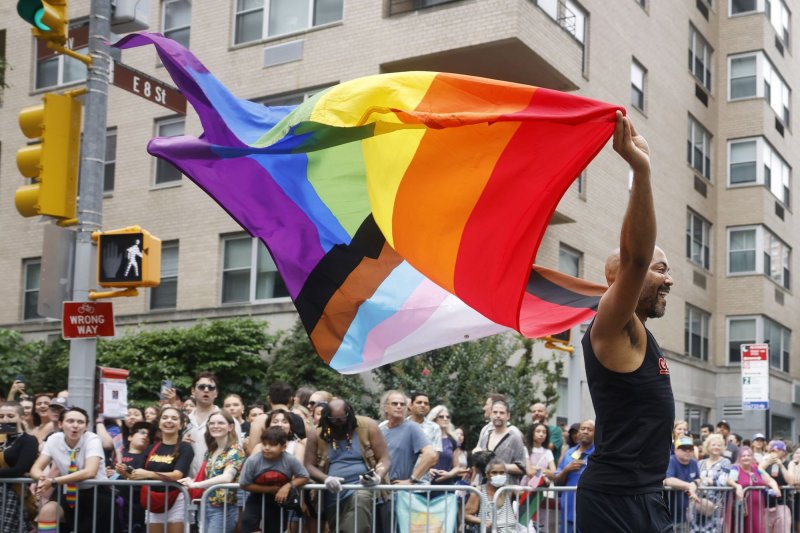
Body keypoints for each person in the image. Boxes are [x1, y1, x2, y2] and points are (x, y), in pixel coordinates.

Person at [575, 111, 675, 533]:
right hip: (616, 503)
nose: (669, 278)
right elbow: (635, 254)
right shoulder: (614, 328)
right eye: (660, 269)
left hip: (644, 496)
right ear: (618, 284)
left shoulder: (642, 338)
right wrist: (640, 169)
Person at [305, 399, 390, 533]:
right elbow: (309, 465)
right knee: (337, 528)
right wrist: (326, 479)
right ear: (327, 418)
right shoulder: (316, 433)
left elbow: (384, 458)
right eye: (334, 420)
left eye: (342, 419)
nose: (339, 424)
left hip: (362, 487)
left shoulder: (368, 426)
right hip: (334, 493)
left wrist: (378, 477)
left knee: (359, 505)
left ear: (349, 415)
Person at [30, 407, 113, 533]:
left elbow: (90, 471)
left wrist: (53, 481)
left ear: (86, 426)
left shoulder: (92, 439)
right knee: (47, 512)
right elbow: (36, 468)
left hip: (96, 493)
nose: (75, 426)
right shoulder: (54, 439)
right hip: (68, 490)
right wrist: (42, 478)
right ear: (60, 424)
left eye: (80, 422)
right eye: (70, 421)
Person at [128, 405, 195, 533]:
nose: (169, 421)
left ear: (181, 425)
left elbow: (177, 475)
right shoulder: (151, 448)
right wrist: (127, 473)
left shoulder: (185, 448)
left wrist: (149, 474)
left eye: (174, 418)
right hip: (152, 500)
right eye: (165, 418)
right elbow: (140, 474)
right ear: (159, 424)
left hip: (177, 500)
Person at [180, 410, 245, 533]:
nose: (215, 426)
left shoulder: (235, 450)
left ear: (230, 427)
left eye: (220, 423)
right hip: (206, 504)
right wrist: (192, 480)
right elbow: (210, 478)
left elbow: (227, 477)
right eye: (212, 423)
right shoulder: (211, 451)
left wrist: (197, 484)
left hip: (224, 507)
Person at [240, 426, 310, 533]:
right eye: (264, 444)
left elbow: (304, 476)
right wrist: (271, 489)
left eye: (272, 445)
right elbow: (244, 484)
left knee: (276, 529)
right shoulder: (253, 460)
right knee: (247, 523)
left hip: (279, 501)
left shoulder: (290, 460)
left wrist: (287, 486)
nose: (266, 448)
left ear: (283, 447)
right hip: (256, 498)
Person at [0, 401, 38, 533]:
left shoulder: (29, 440)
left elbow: (19, 469)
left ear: (21, 418)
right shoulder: (1, 437)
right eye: (1, 416)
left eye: (10, 416)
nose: (5, 420)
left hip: (12, 495)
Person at [727, 446, 781, 533]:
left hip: (757, 507)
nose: (746, 457)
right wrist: (737, 486)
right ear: (739, 458)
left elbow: (769, 480)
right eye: (743, 456)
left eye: (748, 455)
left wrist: (775, 487)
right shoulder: (735, 468)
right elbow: (730, 480)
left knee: (756, 528)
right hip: (742, 508)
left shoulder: (757, 469)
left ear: (752, 457)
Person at [555, 419, 595, 533]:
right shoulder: (569, 453)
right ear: (578, 433)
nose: (585, 432)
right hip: (568, 507)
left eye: (589, 429)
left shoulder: (599, 453)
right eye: (582, 429)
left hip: (589, 509)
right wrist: (566, 470)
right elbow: (557, 480)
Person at [475, 400, 527, 485]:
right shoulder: (485, 437)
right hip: (485, 489)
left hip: (505, 490)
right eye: (495, 412)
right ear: (491, 414)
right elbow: (479, 468)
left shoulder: (515, 438)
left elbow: (522, 468)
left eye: (502, 413)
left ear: (508, 416)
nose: (498, 415)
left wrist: (498, 467)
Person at [115, 421, 154, 533]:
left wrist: (125, 470)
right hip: (116, 503)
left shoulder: (149, 457)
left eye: (148, 435)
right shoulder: (118, 453)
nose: (145, 436)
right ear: (130, 437)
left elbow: (144, 475)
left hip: (136, 506)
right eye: (141, 432)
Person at [464, 458, 519, 532]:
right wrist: (483, 521)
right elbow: (466, 515)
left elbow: (530, 492)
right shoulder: (479, 491)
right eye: (494, 472)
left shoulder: (509, 490)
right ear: (487, 474)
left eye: (502, 472)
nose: (498, 475)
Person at [695, 433, 732, 533]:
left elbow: (723, 481)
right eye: (713, 444)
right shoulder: (700, 462)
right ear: (708, 446)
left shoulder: (726, 462)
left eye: (719, 445)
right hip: (699, 502)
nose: (716, 447)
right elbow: (695, 480)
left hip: (716, 504)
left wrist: (706, 481)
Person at [664, 436, 701, 528]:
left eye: (690, 449)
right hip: (669, 514)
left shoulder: (693, 462)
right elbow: (668, 480)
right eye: (684, 448)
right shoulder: (671, 460)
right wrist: (689, 486)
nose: (688, 451)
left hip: (686, 515)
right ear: (676, 450)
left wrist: (695, 483)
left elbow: (699, 478)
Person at [407, 391, 442, 483]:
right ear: (410, 405)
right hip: (399, 479)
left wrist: (415, 475)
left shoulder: (434, 428)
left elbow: (434, 459)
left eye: (426, 403)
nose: (423, 405)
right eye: (419, 402)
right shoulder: (401, 425)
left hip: (422, 481)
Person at [427, 405, 466, 485]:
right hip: (426, 483)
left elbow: (456, 467)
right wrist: (428, 471)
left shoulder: (453, 440)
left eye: (448, 417)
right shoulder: (426, 438)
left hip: (446, 485)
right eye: (441, 417)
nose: (445, 419)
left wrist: (449, 474)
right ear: (434, 419)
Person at [760, 440, 792, 533]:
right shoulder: (765, 462)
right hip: (766, 503)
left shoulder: (787, 463)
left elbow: (790, 481)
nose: (775, 452)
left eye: (778, 450)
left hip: (782, 502)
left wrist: (781, 465)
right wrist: (766, 463)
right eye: (773, 450)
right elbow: (758, 471)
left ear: (784, 452)